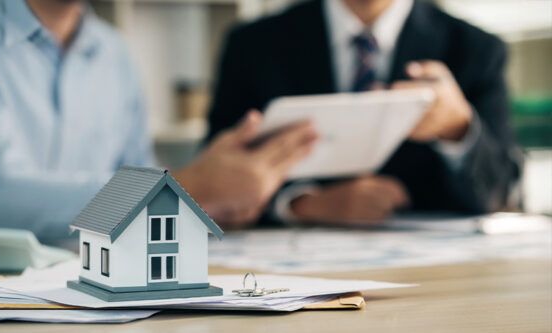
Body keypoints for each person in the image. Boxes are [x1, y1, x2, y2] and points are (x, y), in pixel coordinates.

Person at [0, 0, 317, 241]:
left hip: (98, 292)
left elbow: (137, 194)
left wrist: (217, 203)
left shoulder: (115, 53)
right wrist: (186, 185)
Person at [206, 0, 522, 226]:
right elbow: (214, 178)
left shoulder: (476, 48)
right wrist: (302, 204)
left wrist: (459, 128)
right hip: (292, 266)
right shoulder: (252, 46)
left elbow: (503, 193)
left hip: (437, 279)